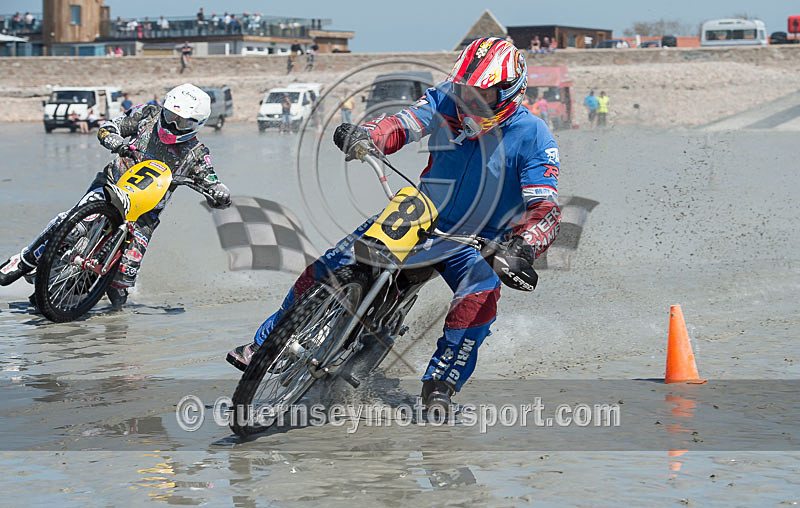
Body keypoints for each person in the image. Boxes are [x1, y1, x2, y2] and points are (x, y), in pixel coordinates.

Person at [227, 37, 561, 412]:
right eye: (464, 90)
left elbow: (545, 207)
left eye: (480, 93)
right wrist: (367, 136)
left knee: (479, 294)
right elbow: (402, 124)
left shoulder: (534, 135)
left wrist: (524, 247)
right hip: (421, 212)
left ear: (509, 91)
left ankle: (440, 387)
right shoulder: (444, 100)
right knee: (333, 263)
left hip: (477, 240)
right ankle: (267, 342)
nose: (468, 100)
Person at [0, 84, 231, 309]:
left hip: (145, 213)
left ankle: (100, 295)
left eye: (181, 122)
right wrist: (113, 139)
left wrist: (220, 193)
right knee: (73, 225)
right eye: (170, 116)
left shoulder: (196, 153)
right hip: (111, 185)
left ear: (196, 124)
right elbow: (109, 126)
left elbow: (212, 180)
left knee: (124, 277)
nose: (172, 124)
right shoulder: (148, 114)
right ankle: (23, 260)